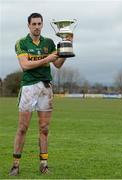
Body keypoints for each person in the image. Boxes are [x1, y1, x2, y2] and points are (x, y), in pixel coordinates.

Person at [9, 13, 73, 176]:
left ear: (42, 25)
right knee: (23, 128)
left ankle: (43, 165)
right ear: (29, 25)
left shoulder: (49, 43)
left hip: (46, 88)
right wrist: (47, 59)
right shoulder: (22, 43)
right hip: (29, 88)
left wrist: (66, 47)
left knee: (44, 128)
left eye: (39, 24)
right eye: (34, 24)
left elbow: (57, 64)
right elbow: (25, 65)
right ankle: (15, 165)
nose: (37, 26)